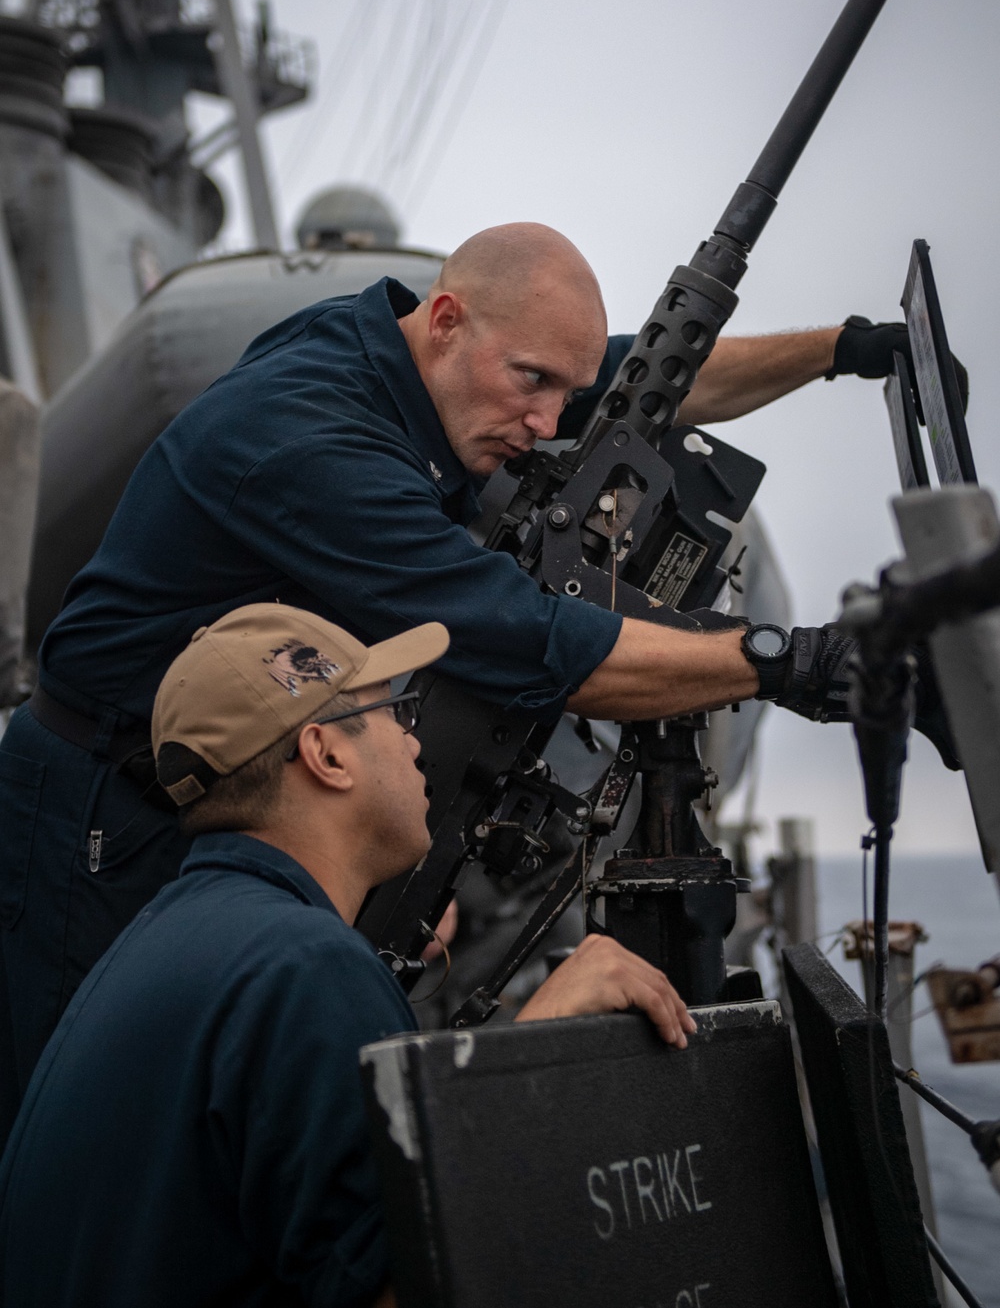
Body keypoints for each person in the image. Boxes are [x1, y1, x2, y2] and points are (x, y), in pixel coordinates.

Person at [0, 220, 961, 1139]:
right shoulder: (311, 441)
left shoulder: (406, 359)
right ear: (449, 318)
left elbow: (640, 385)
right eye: (531, 384)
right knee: (90, 1118)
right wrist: (787, 661)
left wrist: (843, 347)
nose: (546, 422)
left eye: (561, 389)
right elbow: (534, 640)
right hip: (102, 814)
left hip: (235, 788)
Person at [0, 606, 696, 1308]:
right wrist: (536, 1055)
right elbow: (415, 1285)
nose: (415, 743)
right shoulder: (303, 968)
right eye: (398, 711)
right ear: (326, 755)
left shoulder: (164, 944)